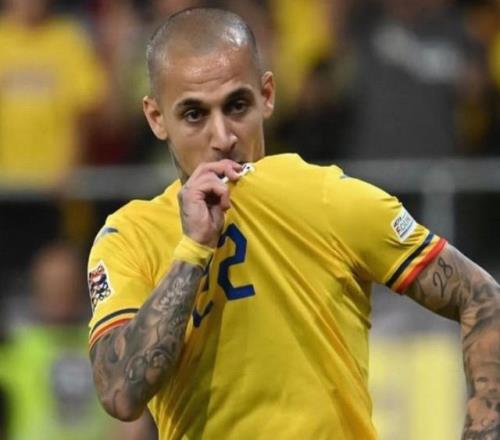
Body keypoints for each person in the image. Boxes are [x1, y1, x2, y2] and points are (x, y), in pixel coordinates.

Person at [87, 7, 500, 439]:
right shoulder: (129, 236)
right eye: (194, 115)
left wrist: (484, 430)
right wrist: (193, 251)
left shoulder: (326, 198)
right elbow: (119, 394)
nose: (222, 137)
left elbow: (481, 296)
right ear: (156, 118)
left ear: (267, 95)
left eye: (237, 106)